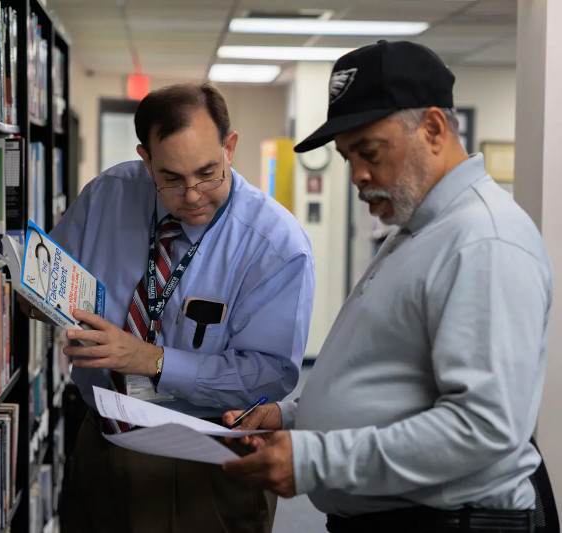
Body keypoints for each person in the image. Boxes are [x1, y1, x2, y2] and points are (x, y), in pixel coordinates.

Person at [222, 40, 553, 533]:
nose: (358, 175)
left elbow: (483, 428)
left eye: (369, 151)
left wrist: (317, 458)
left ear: (434, 129)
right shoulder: (422, 230)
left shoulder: (483, 241)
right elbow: (390, 377)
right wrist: (290, 417)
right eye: (347, 156)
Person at [36, 83, 315, 532]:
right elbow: (51, 274)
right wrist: (37, 300)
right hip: (98, 440)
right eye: (171, 178)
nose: (192, 195)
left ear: (230, 146)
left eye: (208, 172)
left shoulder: (277, 245)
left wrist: (150, 360)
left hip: (202, 461)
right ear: (146, 159)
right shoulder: (109, 194)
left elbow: (268, 376)